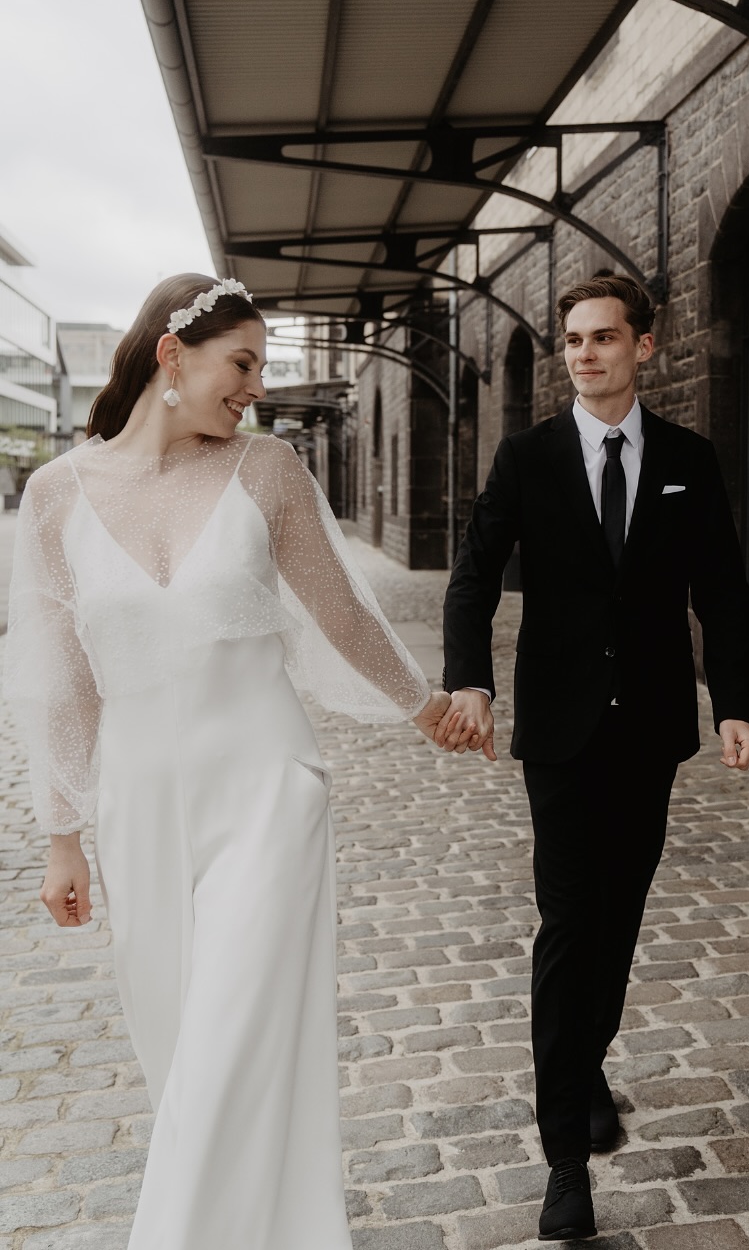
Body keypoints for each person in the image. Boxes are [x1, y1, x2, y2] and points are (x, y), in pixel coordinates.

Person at [4, 274, 455, 1250]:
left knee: (233, 1037)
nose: (255, 384)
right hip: (139, 804)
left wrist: (426, 706)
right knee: (181, 1051)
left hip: (266, 788)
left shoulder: (268, 472)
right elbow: (57, 684)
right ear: (173, 356)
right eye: (242, 363)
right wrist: (61, 839)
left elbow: (341, 614)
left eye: (261, 365)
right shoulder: (52, 500)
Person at [438, 274, 749, 1242]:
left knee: (619, 921)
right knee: (570, 924)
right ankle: (564, 1163)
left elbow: (726, 591)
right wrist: (471, 682)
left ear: (644, 347)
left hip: (652, 728)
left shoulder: (689, 459)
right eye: (572, 341)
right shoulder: (527, 457)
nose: (584, 354)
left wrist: (735, 703)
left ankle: (583, 1066)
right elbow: (472, 578)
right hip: (561, 733)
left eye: (604, 338)